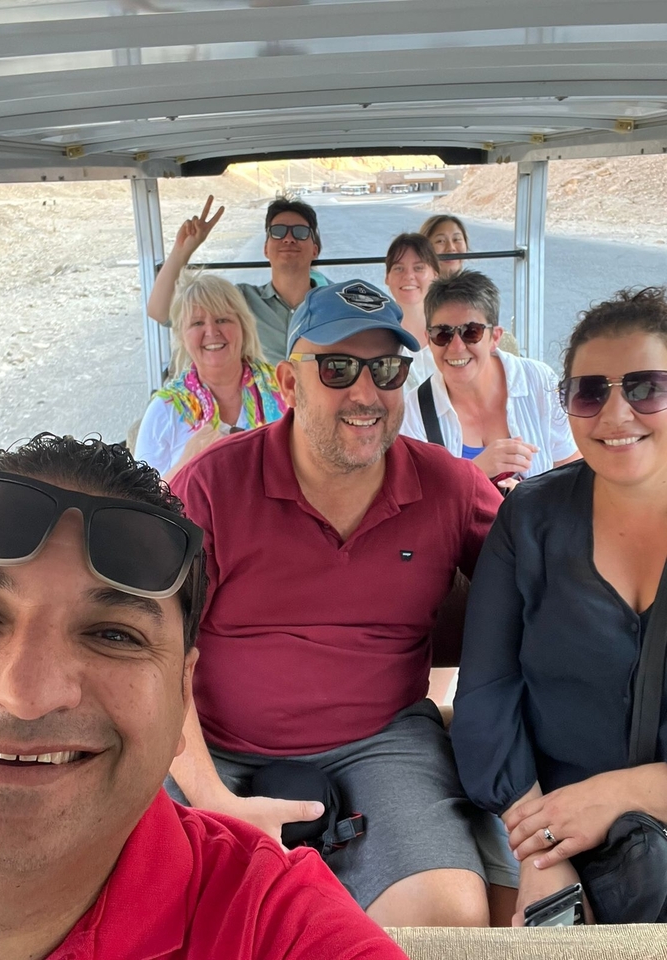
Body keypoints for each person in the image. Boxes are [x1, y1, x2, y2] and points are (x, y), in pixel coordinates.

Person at [0, 434, 410, 960]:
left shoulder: (277, 927)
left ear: (182, 697)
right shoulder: (211, 467)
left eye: (113, 634)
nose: (23, 695)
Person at [166, 279, 519, 928]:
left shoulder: (447, 486)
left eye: (385, 369)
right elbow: (151, 645)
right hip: (213, 745)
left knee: (448, 916)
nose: (365, 393)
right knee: (159, 915)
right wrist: (209, 795)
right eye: (336, 367)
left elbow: (546, 581)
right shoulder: (210, 486)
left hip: (383, 741)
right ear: (291, 384)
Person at [450, 287, 667, 925]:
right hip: (541, 822)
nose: (615, 415)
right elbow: (486, 691)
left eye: (647, 387)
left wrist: (631, 791)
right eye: (590, 392)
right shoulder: (533, 518)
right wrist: (541, 854)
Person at [401, 271, 579, 489]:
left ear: (494, 337)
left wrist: (528, 500)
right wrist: (476, 471)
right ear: (429, 340)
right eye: (443, 334)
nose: (456, 347)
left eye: (471, 332)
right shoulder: (414, 411)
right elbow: (420, 506)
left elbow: (571, 469)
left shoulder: (539, 381)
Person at [135, 273, 285, 479]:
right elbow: (139, 503)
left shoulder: (285, 391)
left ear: (244, 327)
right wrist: (188, 461)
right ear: (182, 337)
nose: (211, 331)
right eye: (197, 323)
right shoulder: (165, 409)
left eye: (222, 319)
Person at [147, 195, 327, 366]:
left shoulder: (337, 303)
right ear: (265, 249)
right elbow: (159, 311)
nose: (288, 239)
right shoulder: (240, 300)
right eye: (278, 232)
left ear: (314, 250)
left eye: (300, 232)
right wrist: (182, 250)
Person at [384, 232, 440, 389]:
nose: (408, 276)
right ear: (387, 277)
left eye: (419, 268)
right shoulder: (376, 337)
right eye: (399, 268)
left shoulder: (454, 333)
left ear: (435, 275)